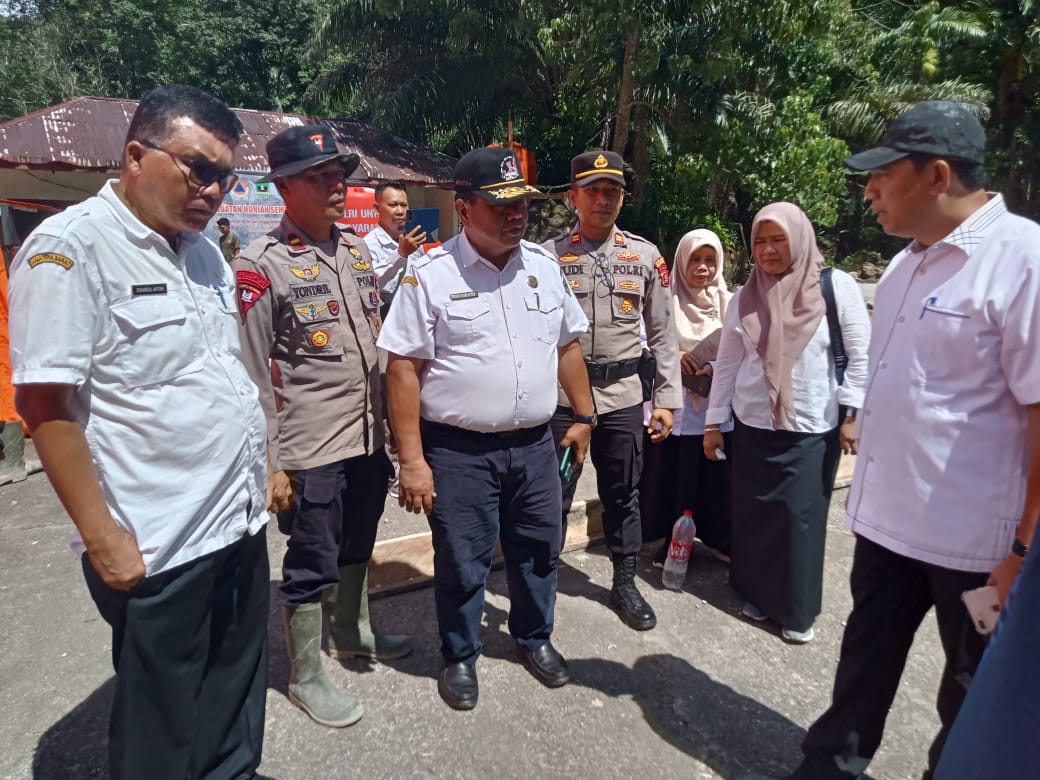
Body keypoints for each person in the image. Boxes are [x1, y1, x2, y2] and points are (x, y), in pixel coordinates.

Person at [751, 101, 1040, 780]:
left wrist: (1023, 551)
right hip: (888, 526)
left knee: (969, 690)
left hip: (978, 546)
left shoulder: (1022, 262)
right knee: (864, 661)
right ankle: (829, 767)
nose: (870, 191)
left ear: (937, 176)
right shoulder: (906, 264)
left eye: (884, 175)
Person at [7, 85, 270, 780]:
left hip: (236, 522)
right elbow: (44, 405)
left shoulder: (204, 252)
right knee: (162, 729)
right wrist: (103, 540)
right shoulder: (70, 250)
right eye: (198, 168)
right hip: (159, 541)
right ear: (134, 155)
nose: (213, 190)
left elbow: (216, 373)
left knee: (232, 702)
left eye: (226, 177)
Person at [378, 146, 594, 711]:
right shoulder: (429, 275)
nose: (515, 215)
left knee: (538, 549)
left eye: (521, 203)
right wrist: (412, 460)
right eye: (500, 206)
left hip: (535, 445)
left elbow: (567, 345)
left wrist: (584, 416)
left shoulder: (544, 268)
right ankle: (460, 654)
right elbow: (402, 369)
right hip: (459, 452)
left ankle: (533, 637)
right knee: (462, 558)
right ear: (464, 208)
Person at [234, 124, 410, 730]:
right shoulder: (261, 265)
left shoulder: (356, 251)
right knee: (312, 558)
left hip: (367, 435)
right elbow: (251, 375)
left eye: (339, 175)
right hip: (310, 446)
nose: (338, 185)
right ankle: (305, 674)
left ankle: (353, 631)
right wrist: (270, 464)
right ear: (284, 187)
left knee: (359, 538)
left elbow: (376, 344)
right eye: (321, 177)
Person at [704, 202, 870, 645]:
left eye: (778, 239)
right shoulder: (745, 297)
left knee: (800, 521)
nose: (768, 249)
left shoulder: (835, 287)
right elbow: (727, 363)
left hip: (810, 427)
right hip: (753, 424)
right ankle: (757, 594)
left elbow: (860, 357)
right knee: (755, 517)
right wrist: (714, 421)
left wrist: (852, 415)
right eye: (760, 240)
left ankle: (795, 609)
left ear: (799, 239)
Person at [545, 150, 681, 631]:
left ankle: (624, 583)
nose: (602, 200)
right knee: (553, 491)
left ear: (623, 198)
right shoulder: (547, 256)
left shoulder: (644, 257)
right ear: (573, 197)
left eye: (612, 191)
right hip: (564, 399)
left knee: (623, 494)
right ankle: (542, 581)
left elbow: (663, 333)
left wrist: (666, 400)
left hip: (623, 396)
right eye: (593, 191)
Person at [647, 229, 734, 566]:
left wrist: (712, 365)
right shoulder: (664, 300)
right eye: (695, 259)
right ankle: (671, 540)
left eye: (710, 260)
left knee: (713, 477)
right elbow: (646, 341)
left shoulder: (731, 304)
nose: (702, 267)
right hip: (677, 407)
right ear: (681, 261)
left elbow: (744, 351)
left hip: (714, 406)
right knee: (676, 474)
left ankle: (718, 538)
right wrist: (677, 354)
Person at [363, 179, 427, 303]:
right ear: (377, 208)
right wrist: (400, 255)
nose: (400, 211)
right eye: (393, 205)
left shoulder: (414, 240)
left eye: (404, 205)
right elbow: (371, 286)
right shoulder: (367, 245)